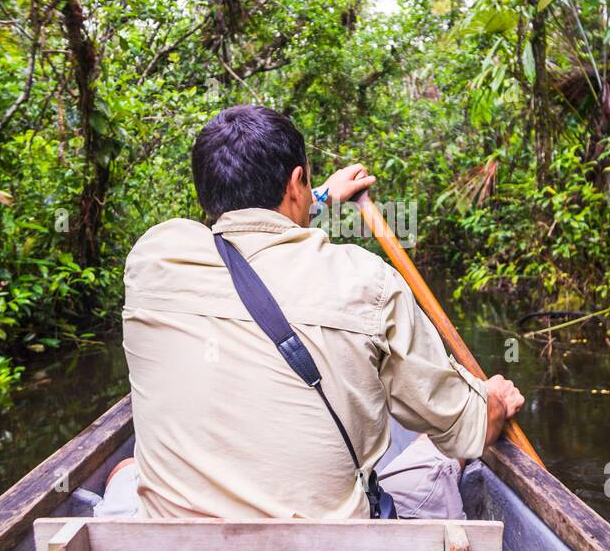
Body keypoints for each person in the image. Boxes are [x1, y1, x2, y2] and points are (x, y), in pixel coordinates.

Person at [100, 104, 524, 520]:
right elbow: (464, 429)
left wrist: (319, 197)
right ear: (296, 180)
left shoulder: (153, 259)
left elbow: (252, 230)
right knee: (448, 454)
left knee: (125, 470)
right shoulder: (367, 281)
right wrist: (493, 403)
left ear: (205, 193)